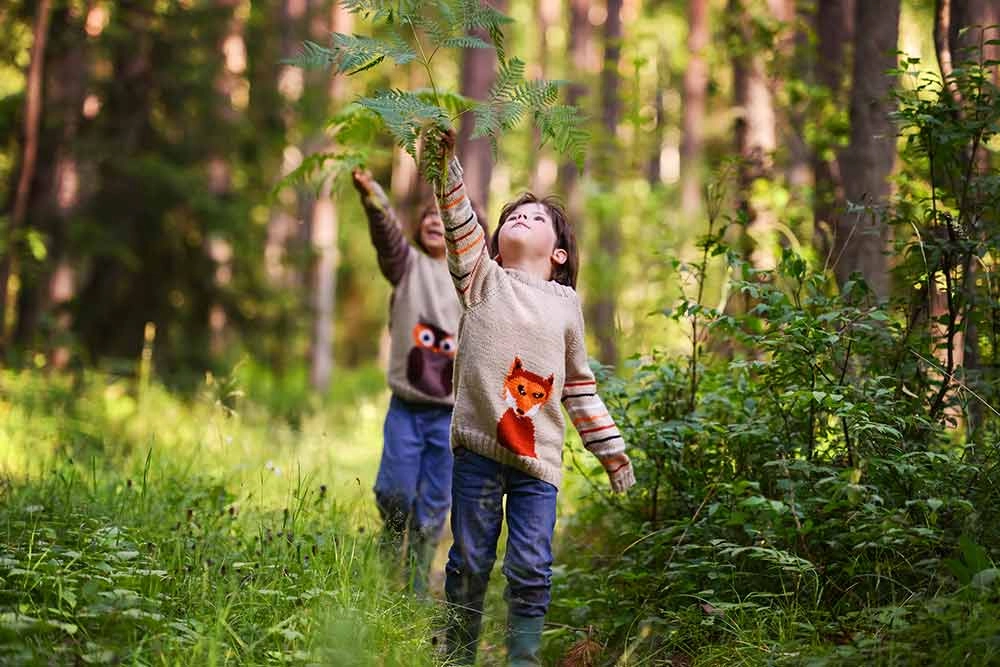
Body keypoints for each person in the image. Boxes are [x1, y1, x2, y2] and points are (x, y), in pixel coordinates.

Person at [419, 135, 636, 666]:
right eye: (512, 215)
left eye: (535, 218)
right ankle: (458, 655)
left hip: (538, 464)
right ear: (493, 243)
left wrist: (613, 453)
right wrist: (444, 165)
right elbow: (460, 222)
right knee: (469, 559)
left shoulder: (566, 307)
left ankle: (523, 658)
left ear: (558, 253)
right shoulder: (480, 279)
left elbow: (579, 389)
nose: (519, 218)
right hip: (478, 451)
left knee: (532, 566)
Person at [352, 168, 480, 597]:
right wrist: (375, 200)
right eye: (427, 215)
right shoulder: (407, 266)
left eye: (444, 218)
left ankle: (414, 587)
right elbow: (387, 237)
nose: (433, 221)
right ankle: (388, 560)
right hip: (406, 408)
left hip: (449, 418)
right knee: (394, 493)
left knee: (430, 512)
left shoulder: (472, 285)